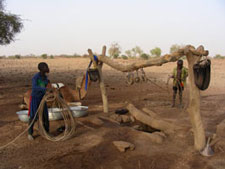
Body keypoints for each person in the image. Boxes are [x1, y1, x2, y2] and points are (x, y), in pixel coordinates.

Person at [28, 62, 50, 140]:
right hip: (35, 98)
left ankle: (47, 132)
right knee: (33, 116)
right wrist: (44, 89)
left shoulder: (46, 78)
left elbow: (48, 85)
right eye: (45, 67)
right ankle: (30, 133)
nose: (47, 68)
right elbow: (34, 87)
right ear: (41, 69)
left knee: (45, 115)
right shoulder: (36, 77)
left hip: (42, 98)